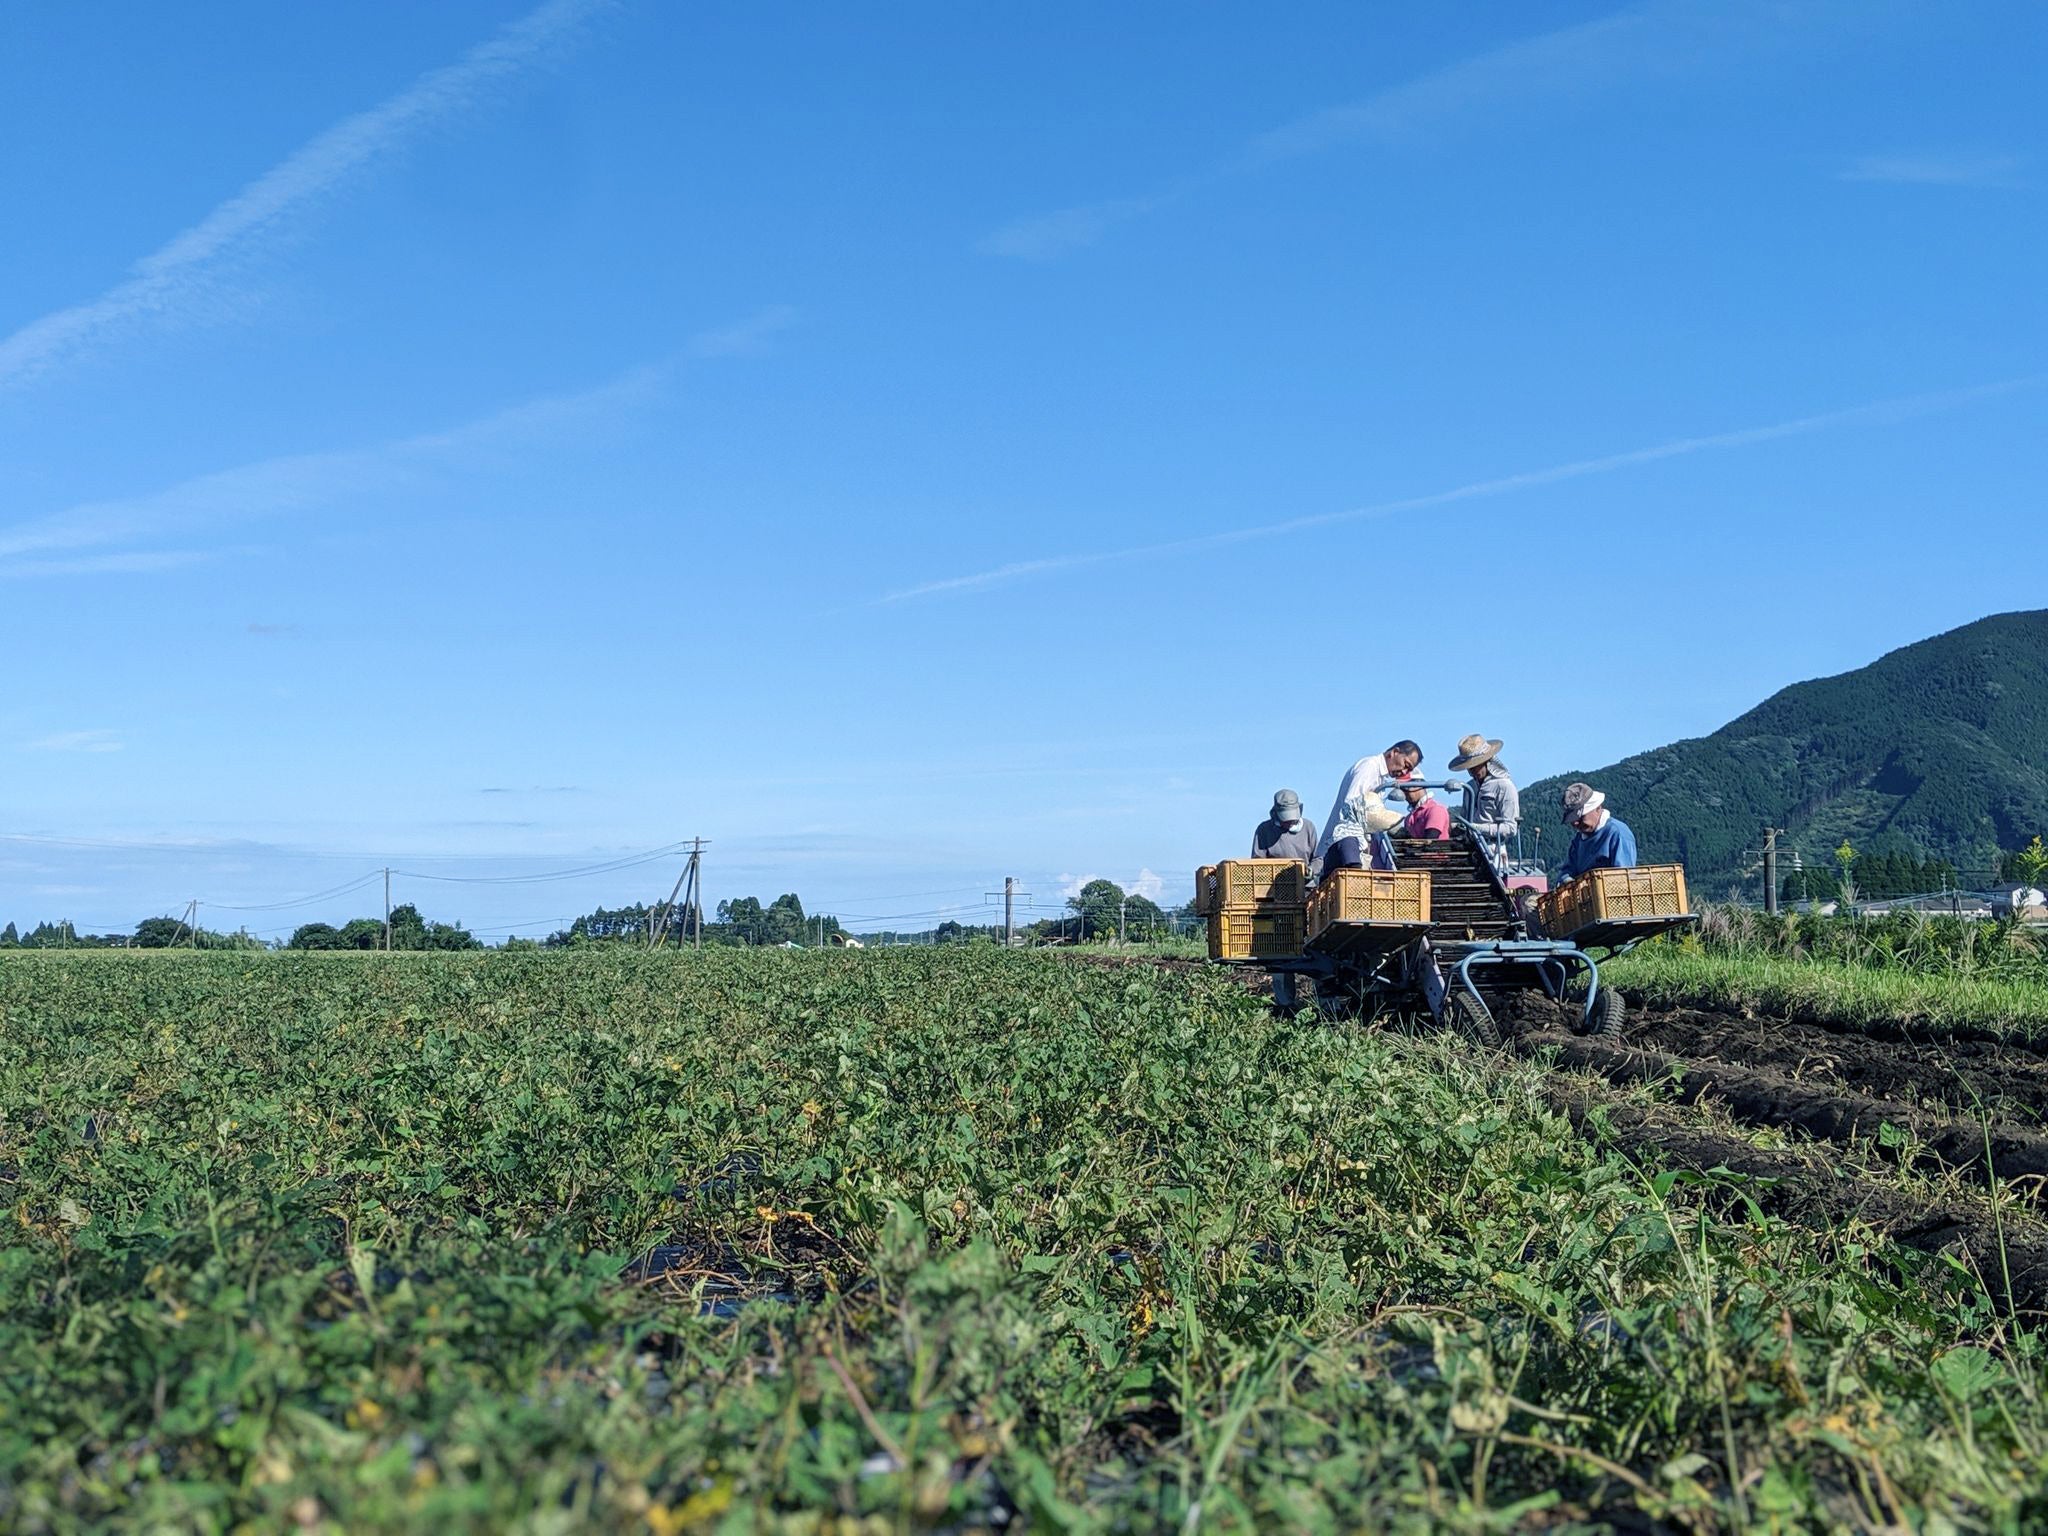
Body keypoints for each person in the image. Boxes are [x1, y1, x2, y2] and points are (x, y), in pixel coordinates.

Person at [1312, 740, 1422, 879]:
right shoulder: (1369, 768)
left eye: (1409, 770)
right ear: (1394, 752)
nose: (1404, 771)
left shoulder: (1381, 779)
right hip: (1343, 845)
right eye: (1405, 765)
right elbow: (1352, 805)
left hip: (1352, 845)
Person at [1449, 734, 1520, 854]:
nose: (1471, 771)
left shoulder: (1504, 786)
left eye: (1475, 765)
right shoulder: (1469, 787)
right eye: (1469, 767)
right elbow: (1465, 818)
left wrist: (1477, 828)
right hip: (1469, 847)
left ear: (1487, 761)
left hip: (1494, 850)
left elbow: (1511, 828)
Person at [1558, 782, 1638, 880]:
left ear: (1598, 808)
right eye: (1572, 819)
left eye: (1580, 817)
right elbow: (1566, 871)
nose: (1575, 823)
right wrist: (1566, 880)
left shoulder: (1617, 833)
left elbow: (1624, 877)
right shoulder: (1578, 842)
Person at [1251, 790, 1317, 862]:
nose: (1290, 822)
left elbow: (1318, 858)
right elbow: (1257, 862)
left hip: (1304, 872)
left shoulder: (1309, 827)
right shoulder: (1264, 830)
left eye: (1293, 820)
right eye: (1286, 820)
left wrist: (1311, 870)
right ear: (1275, 814)